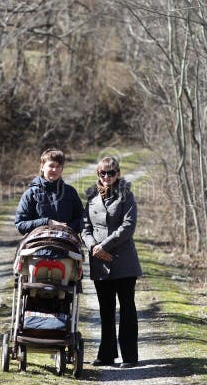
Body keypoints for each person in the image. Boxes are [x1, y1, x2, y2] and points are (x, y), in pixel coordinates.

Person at [82, 156, 142, 368]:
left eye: (111, 173)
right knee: (105, 310)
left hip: (123, 262)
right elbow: (85, 228)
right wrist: (93, 248)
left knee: (127, 309)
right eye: (102, 173)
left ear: (118, 173)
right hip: (100, 262)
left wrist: (104, 246)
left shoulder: (126, 195)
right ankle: (106, 354)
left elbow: (128, 226)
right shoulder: (91, 197)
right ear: (98, 174)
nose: (107, 177)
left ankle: (129, 357)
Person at [14, 148, 83, 235]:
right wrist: (47, 222)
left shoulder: (70, 192)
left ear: (62, 168)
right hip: (38, 244)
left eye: (58, 166)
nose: (55, 170)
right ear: (42, 167)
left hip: (66, 241)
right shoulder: (30, 194)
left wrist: (66, 228)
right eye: (51, 166)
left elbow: (82, 219)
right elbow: (20, 224)